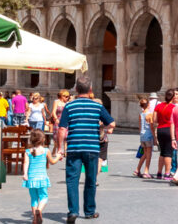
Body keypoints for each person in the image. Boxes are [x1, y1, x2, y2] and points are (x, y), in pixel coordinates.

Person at [57, 76, 115, 223]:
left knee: (72, 181)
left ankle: (73, 212)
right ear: (90, 90)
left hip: (74, 148)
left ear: (76, 89)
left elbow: (62, 128)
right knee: (90, 180)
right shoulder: (97, 106)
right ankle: (89, 211)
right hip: (92, 148)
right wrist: (103, 129)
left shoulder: (69, 106)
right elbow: (112, 123)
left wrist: (59, 148)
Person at [22, 129, 62, 224]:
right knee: (44, 197)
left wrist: (25, 174)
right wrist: (58, 156)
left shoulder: (28, 151)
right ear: (43, 139)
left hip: (31, 179)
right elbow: (52, 162)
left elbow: (25, 163)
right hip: (42, 178)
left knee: (34, 198)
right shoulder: (45, 151)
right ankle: (39, 211)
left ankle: (35, 219)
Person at [153, 89, 176, 180]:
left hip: (160, 129)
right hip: (169, 130)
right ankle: (167, 173)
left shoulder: (158, 106)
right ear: (173, 97)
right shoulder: (174, 107)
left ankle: (159, 172)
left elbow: (154, 119)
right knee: (168, 153)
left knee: (162, 152)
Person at [134, 98, 155, 178]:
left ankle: (137, 169)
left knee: (145, 153)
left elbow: (140, 126)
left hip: (142, 135)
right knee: (149, 154)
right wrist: (155, 137)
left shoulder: (141, 114)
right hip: (148, 135)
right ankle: (146, 171)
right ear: (148, 105)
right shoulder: (150, 114)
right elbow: (151, 127)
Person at [50, 91, 69, 157]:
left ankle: (65, 151)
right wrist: (56, 118)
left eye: (68, 96)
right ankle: (56, 148)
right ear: (61, 96)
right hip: (58, 120)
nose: (67, 98)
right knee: (57, 137)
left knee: (66, 137)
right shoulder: (57, 102)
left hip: (65, 121)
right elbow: (53, 111)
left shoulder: (68, 103)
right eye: (66, 96)